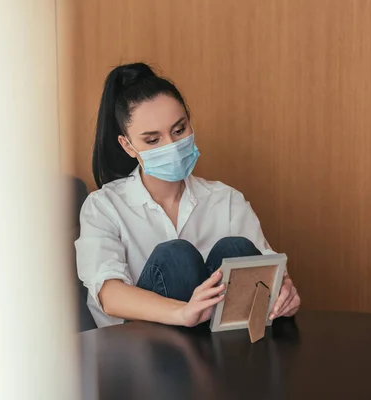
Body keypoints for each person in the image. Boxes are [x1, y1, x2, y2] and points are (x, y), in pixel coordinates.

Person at [75, 62, 300, 328]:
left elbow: (268, 275)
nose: (171, 146)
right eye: (153, 140)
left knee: (236, 249)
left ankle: (226, 366)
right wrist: (183, 313)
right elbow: (109, 295)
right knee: (176, 257)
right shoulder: (104, 206)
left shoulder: (226, 199)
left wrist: (284, 294)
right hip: (143, 349)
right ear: (128, 145)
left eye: (179, 130)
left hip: (220, 346)